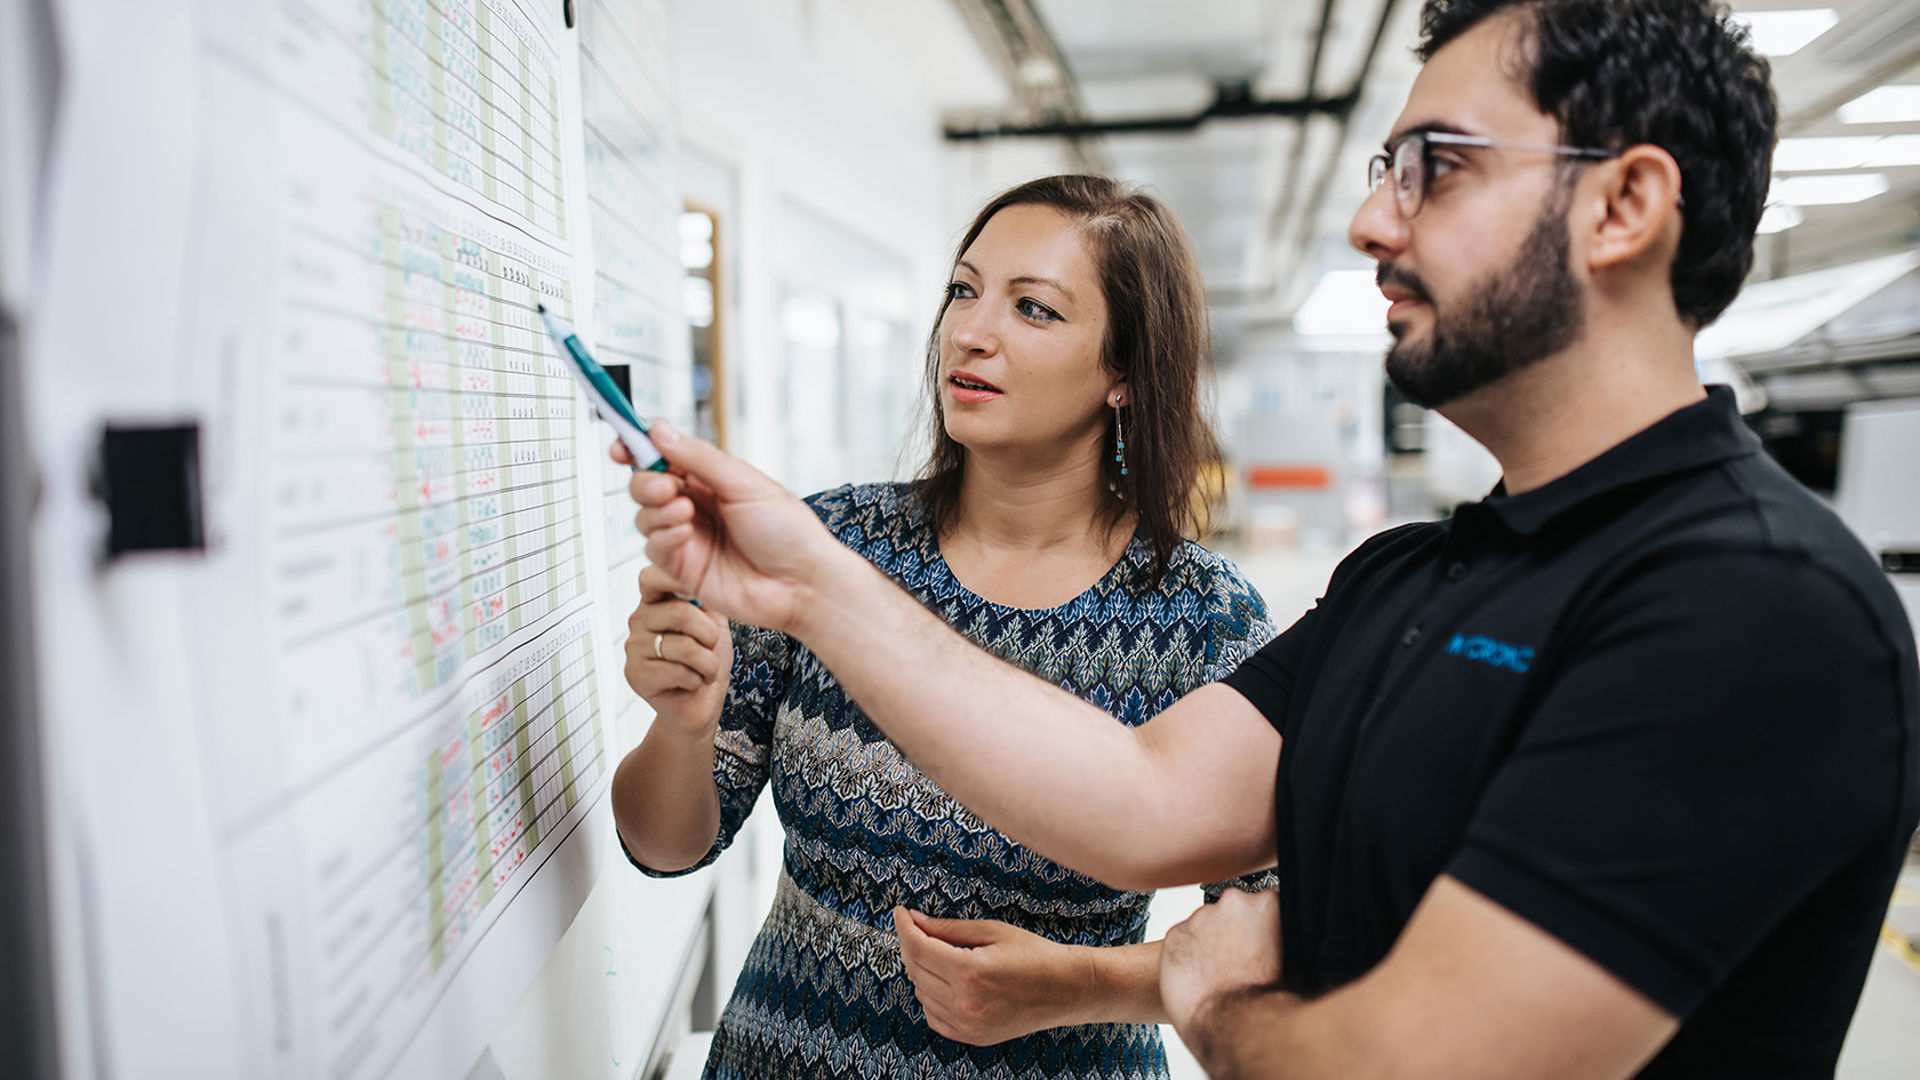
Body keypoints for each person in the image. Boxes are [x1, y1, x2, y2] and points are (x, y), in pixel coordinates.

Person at [622, 2, 1920, 1078]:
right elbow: (1140, 799)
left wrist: (1200, 993)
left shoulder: (1754, 605)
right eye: (1384, 173)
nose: (1373, 223)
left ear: (1626, 204)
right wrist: (811, 582)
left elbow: (1400, 1069)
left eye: (1439, 167)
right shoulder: (1411, 579)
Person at [609, 174, 1278, 1080]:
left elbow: (1277, 938)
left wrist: (1077, 985)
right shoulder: (826, 547)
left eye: (1034, 309)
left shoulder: (1200, 620)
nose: (971, 330)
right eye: (964, 290)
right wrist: (684, 726)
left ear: (1123, 372)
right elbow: (664, 845)